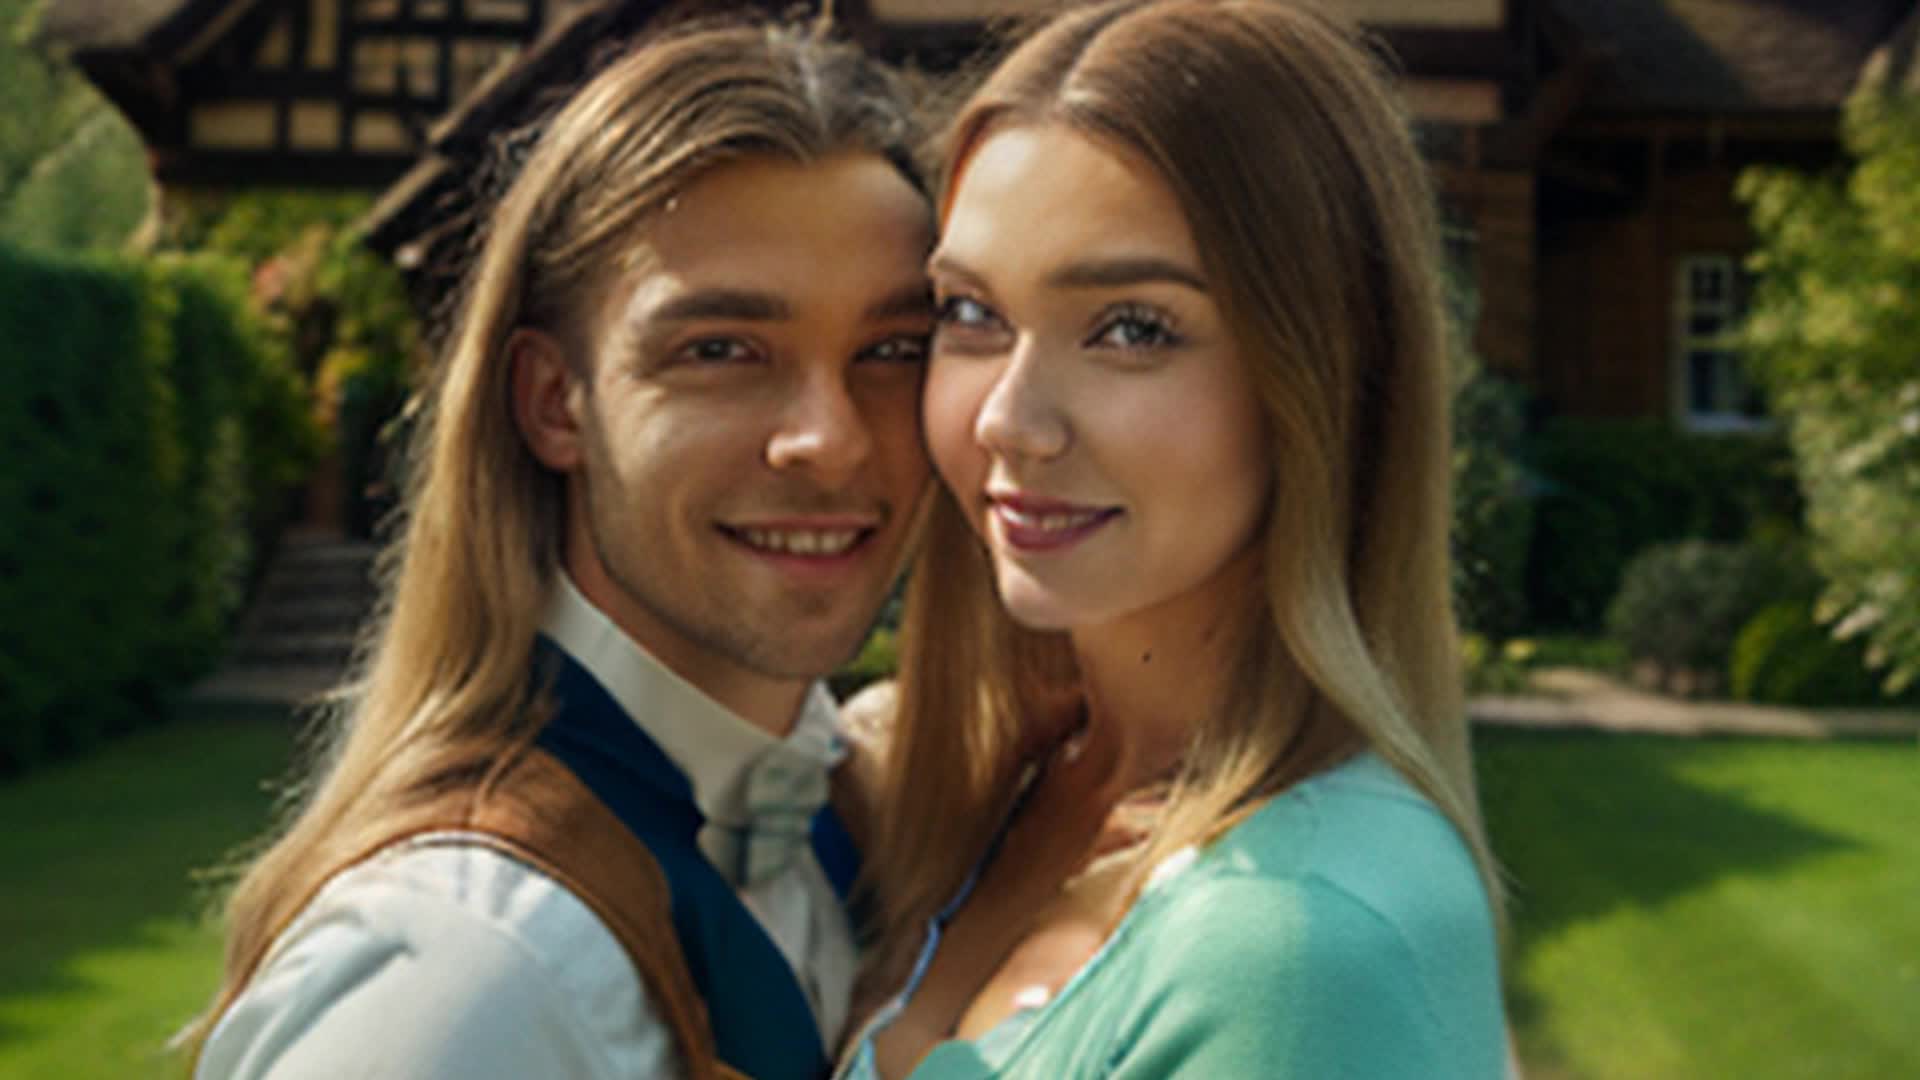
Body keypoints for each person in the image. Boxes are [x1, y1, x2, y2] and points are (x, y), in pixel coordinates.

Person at [186, 17, 935, 1080]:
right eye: (721, 350)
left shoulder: (840, 827)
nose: (830, 438)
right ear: (554, 403)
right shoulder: (462, 982)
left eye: (895, 349)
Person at [839, 1, 1509, 1076]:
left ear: (1323, 382)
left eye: (1132, 329)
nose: (1009, 417)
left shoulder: (1297, 945)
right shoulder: (1027, 783)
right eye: (970, 313)